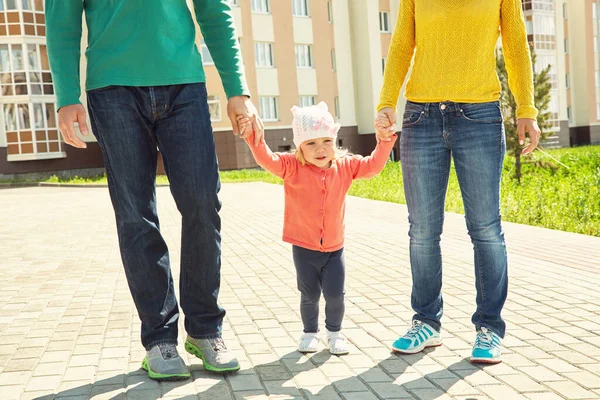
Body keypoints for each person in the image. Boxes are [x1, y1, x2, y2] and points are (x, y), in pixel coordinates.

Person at [45, 0, 264, 380]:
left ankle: (205, 329)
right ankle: (160, 339)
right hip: (112, 90)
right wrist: (66, 95)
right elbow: (62, 19)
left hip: (184, 84)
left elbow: (215, 10)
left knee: (202, 202)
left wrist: (236, 89)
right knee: (136, 216)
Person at [374, 0, 541, 364]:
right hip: (421, 115)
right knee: (422, 230)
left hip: (479, 115)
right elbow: (402, 43)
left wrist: (526, 108)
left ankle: (489, 327)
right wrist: (387, 101)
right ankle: (426, 322)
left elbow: (515, 46)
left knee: (485, 228)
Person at [239, 103, 397, 355]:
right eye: (311, 143)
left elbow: (373, 166)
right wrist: (251, 136)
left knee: (336, 295)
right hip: (303, 247)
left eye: (326, 140)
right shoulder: (291, 167)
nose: (320, 148)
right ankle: (310, 333)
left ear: (334, 140)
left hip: (335, 247)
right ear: (299, 146)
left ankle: (335, 333)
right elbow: (265, 158)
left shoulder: (345, 166)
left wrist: (384, 141)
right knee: (309, 294)